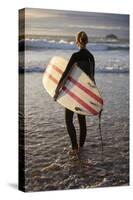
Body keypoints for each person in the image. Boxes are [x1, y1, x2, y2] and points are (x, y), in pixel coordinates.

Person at [53, 31, 95, 156]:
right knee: (82, 121)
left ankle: (75, 148)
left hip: (72, 93)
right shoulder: (91, 57)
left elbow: (66, 74)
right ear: (86, 41)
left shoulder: (75, 55)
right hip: (85, 93)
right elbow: (92, 80)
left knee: (68, 120)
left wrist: (57, 90)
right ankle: (81, 147)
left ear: (77, 41)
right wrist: (94, 98)